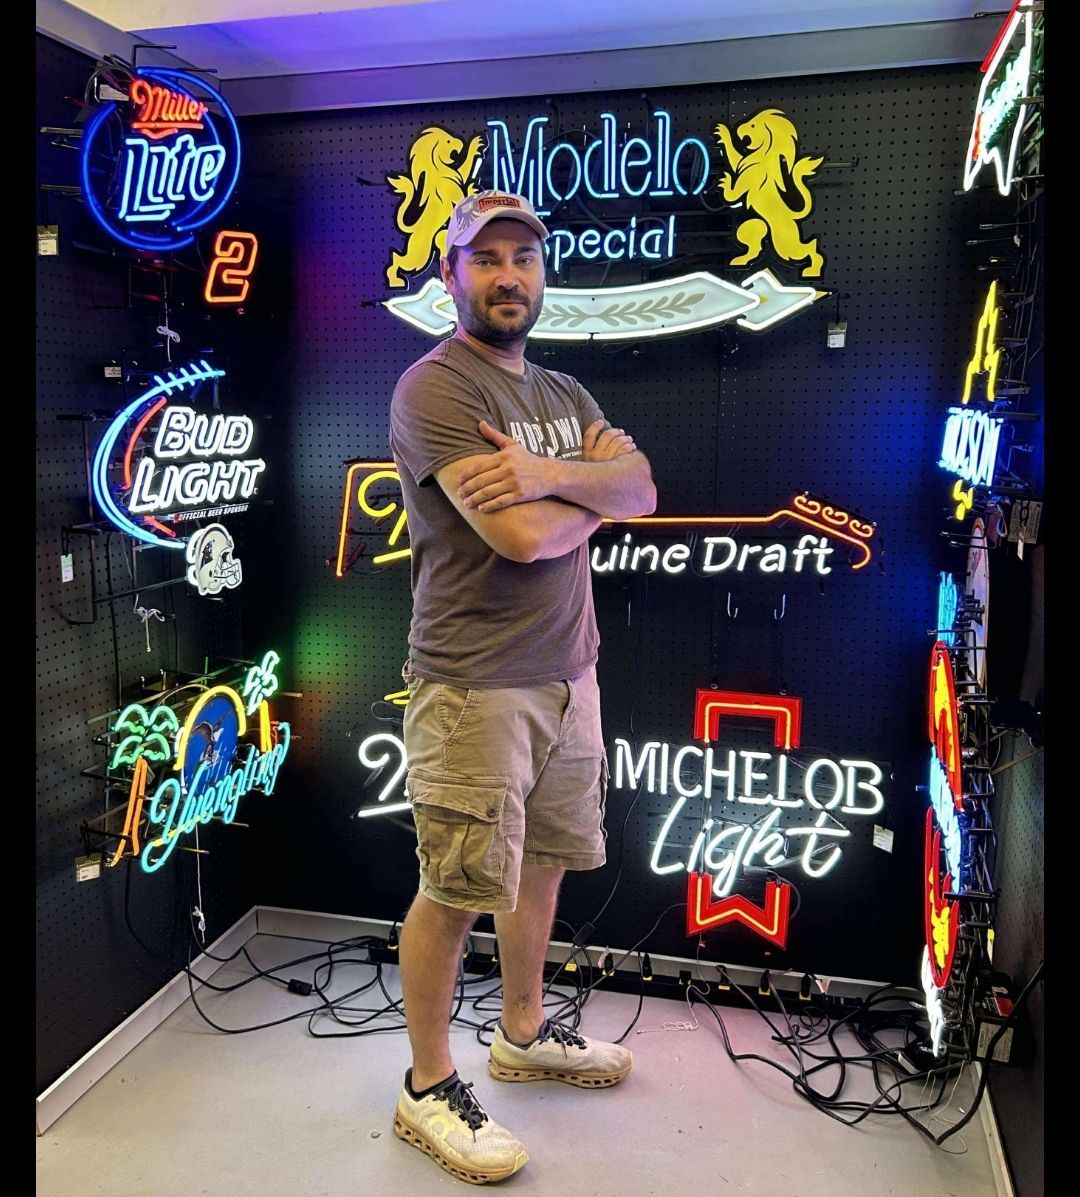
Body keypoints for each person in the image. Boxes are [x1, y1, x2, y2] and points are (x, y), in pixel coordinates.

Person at [389, 189, 657, 1185]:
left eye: (525, 258)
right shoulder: (435, 390)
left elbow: (643, 488)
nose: (509, 275)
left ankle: (521, 1033)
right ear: (450, 274)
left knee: (540, 865)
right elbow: (516, 537)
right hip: (473, 689)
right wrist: (582, 490)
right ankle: (425, 1088)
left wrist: (553, 479)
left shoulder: (564, 393)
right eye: (486, 258)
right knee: (455, 889)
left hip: (568, 676)